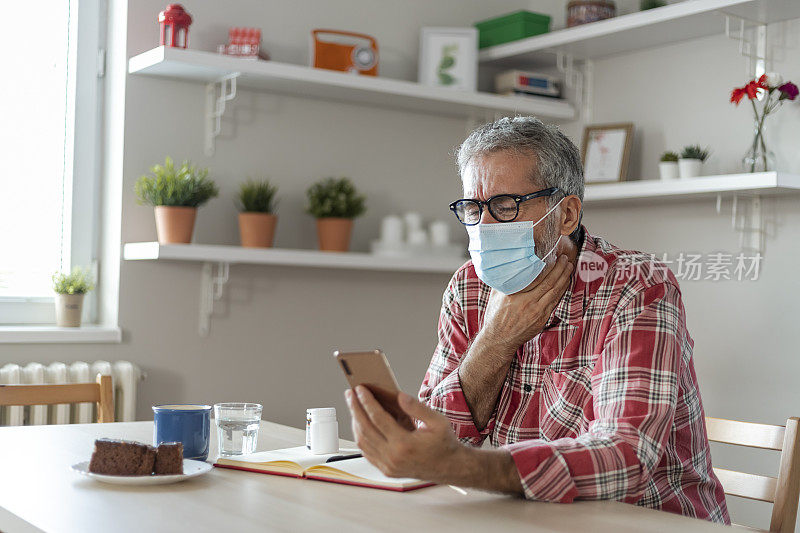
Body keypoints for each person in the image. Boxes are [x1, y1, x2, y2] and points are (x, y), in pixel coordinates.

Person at [344, 116, 729, 524]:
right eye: (473, 208)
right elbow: (434, 439)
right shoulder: (469, 287)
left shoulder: (636, 285)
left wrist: (468, 467)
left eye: (505, 207)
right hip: (531, 520)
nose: (484, 227)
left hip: (650, 523)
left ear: (566, 215)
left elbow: (627, 456)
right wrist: (495, 342)